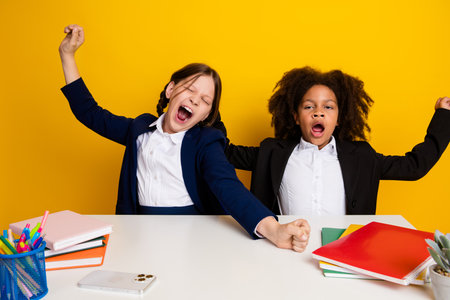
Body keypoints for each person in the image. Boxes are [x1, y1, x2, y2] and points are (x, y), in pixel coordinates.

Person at [58, 24, 310, 252]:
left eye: (204, 101)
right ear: (170, 90)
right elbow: (89, 112)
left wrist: (273, 229)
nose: (194, 99)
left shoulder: (206, 141)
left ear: (204, 115)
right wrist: (67, 55)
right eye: (190, 89)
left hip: (193, 235)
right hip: (137, 231)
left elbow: (228, 186)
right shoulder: (138, 129)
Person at [222, 67, 450, 215]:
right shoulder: (271, 152)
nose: (318, 113)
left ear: (339, 118)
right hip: (284, 252)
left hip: (343, 257)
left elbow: (414, 167)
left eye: (328, 107)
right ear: (295, 116)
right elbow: (226, 152)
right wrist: (204, 106)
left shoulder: (362, 157)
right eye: (309, 106)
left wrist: (444, 117)